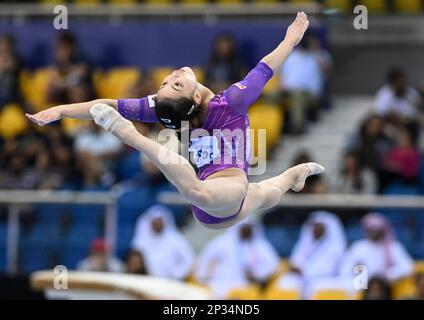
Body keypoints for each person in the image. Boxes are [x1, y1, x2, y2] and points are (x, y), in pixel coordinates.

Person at [26, 12, 325, 230]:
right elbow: (266, 67)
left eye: (168, 82)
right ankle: (132, 136)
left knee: (268, 192)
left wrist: (62, 110)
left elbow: (104, 104)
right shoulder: (230, 102)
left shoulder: (164, 108)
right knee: (220, 192)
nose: (174, 76)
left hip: (219, 199)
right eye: (176, 84)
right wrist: (291, 40)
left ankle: (293, 175)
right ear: (195, 98)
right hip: (218, 192)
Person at [195, 219, 280, 298]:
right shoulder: (221, 242)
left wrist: (257, 274)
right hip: (219, 282)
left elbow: (273, 265)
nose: (246, 231)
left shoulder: (260, 245)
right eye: (244, 228)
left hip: (245, 285)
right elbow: (205, 259)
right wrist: (203, 277)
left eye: (249, 228)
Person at [276, 211, 347, 298]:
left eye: (319, 227)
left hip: (324, 279)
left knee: (315, 287)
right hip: (302, 278)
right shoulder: (307, 242)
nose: (315, 229)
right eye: (314, 226)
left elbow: (329, 269)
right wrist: (296, 267)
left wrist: (304, 271)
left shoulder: (334, 246)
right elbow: (295, 259)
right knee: (284, 283)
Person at [340, 213, 414, 283]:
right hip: (362, 287)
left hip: (386, 287)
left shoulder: (393, 247)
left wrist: (388, 275)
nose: (374, 233)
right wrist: (359, 272)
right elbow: (344, 270)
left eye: (377, 230)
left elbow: (407, 267)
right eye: (371, 230)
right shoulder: (358, 247)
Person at [131, 205, 194, 280]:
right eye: (155, 221)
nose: (158, 224)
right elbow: (134, 262)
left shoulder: (176, 240)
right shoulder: (140, 240)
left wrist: (177, 274)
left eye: (160, 221)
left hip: (169, 282)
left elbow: (189, 260)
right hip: (146, 280)